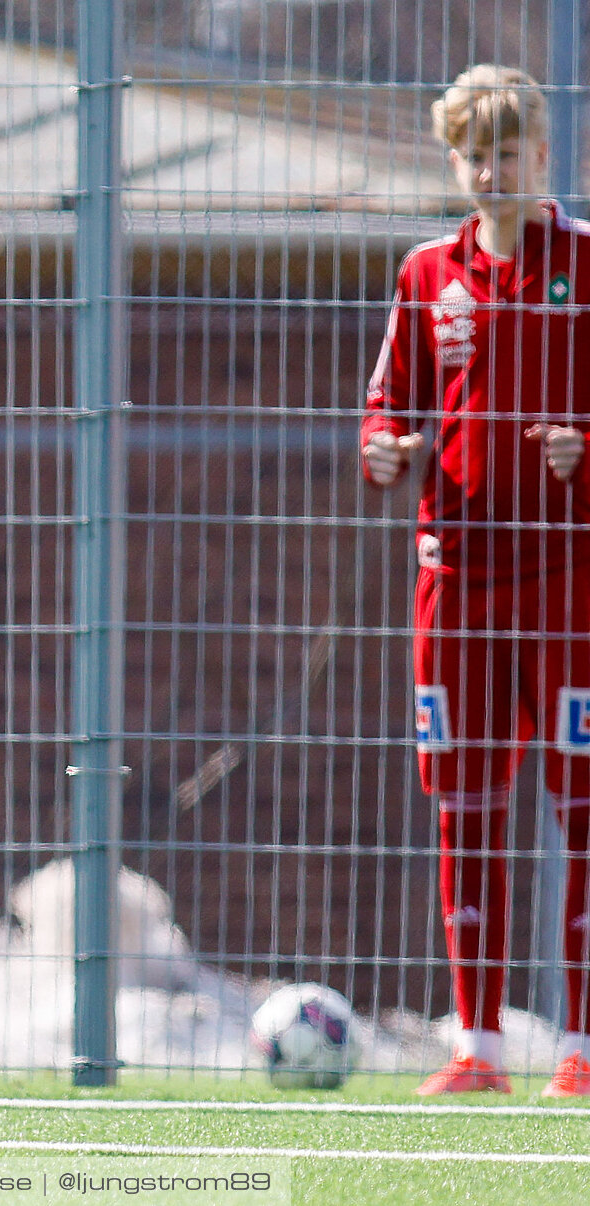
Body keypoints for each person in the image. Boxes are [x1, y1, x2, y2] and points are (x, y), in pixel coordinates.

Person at [362, 65, 590, 1098]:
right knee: (466, 803)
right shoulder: (426, 274)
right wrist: (384, 450)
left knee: (578, 799)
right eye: (474, 155)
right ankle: (479, 1047)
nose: (491, 172)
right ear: (454, 161)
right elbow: (386, 406)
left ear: (542, 156)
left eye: (509, 152)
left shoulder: (584, 266)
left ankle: (580, 1050)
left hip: (568, 579)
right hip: (455, 576)